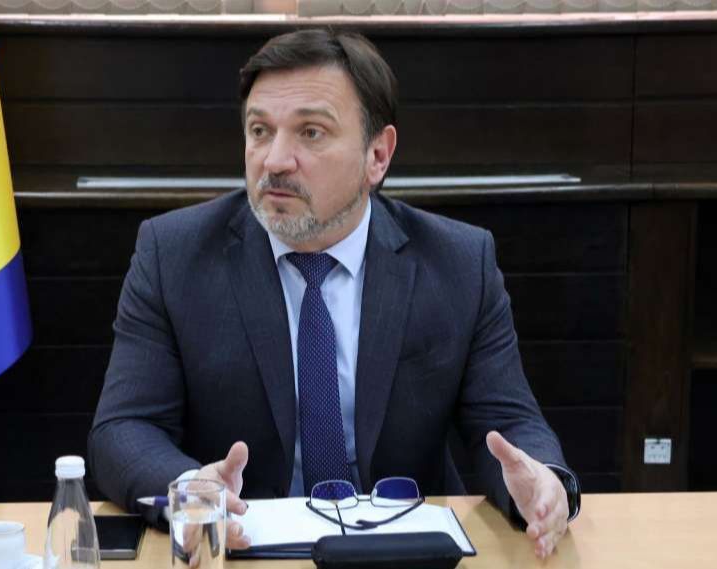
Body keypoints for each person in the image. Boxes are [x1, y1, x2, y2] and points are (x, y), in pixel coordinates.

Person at [89, 28, 580, 559]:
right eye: (260, 130)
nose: (275, 160)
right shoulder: (174, 255)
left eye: (311, 133)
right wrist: (193, 492)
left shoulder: (458, 263)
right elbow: (123, 428)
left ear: (377, 155)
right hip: (240, 547)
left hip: (401, 554)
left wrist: (544, 483)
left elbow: (508, 423)